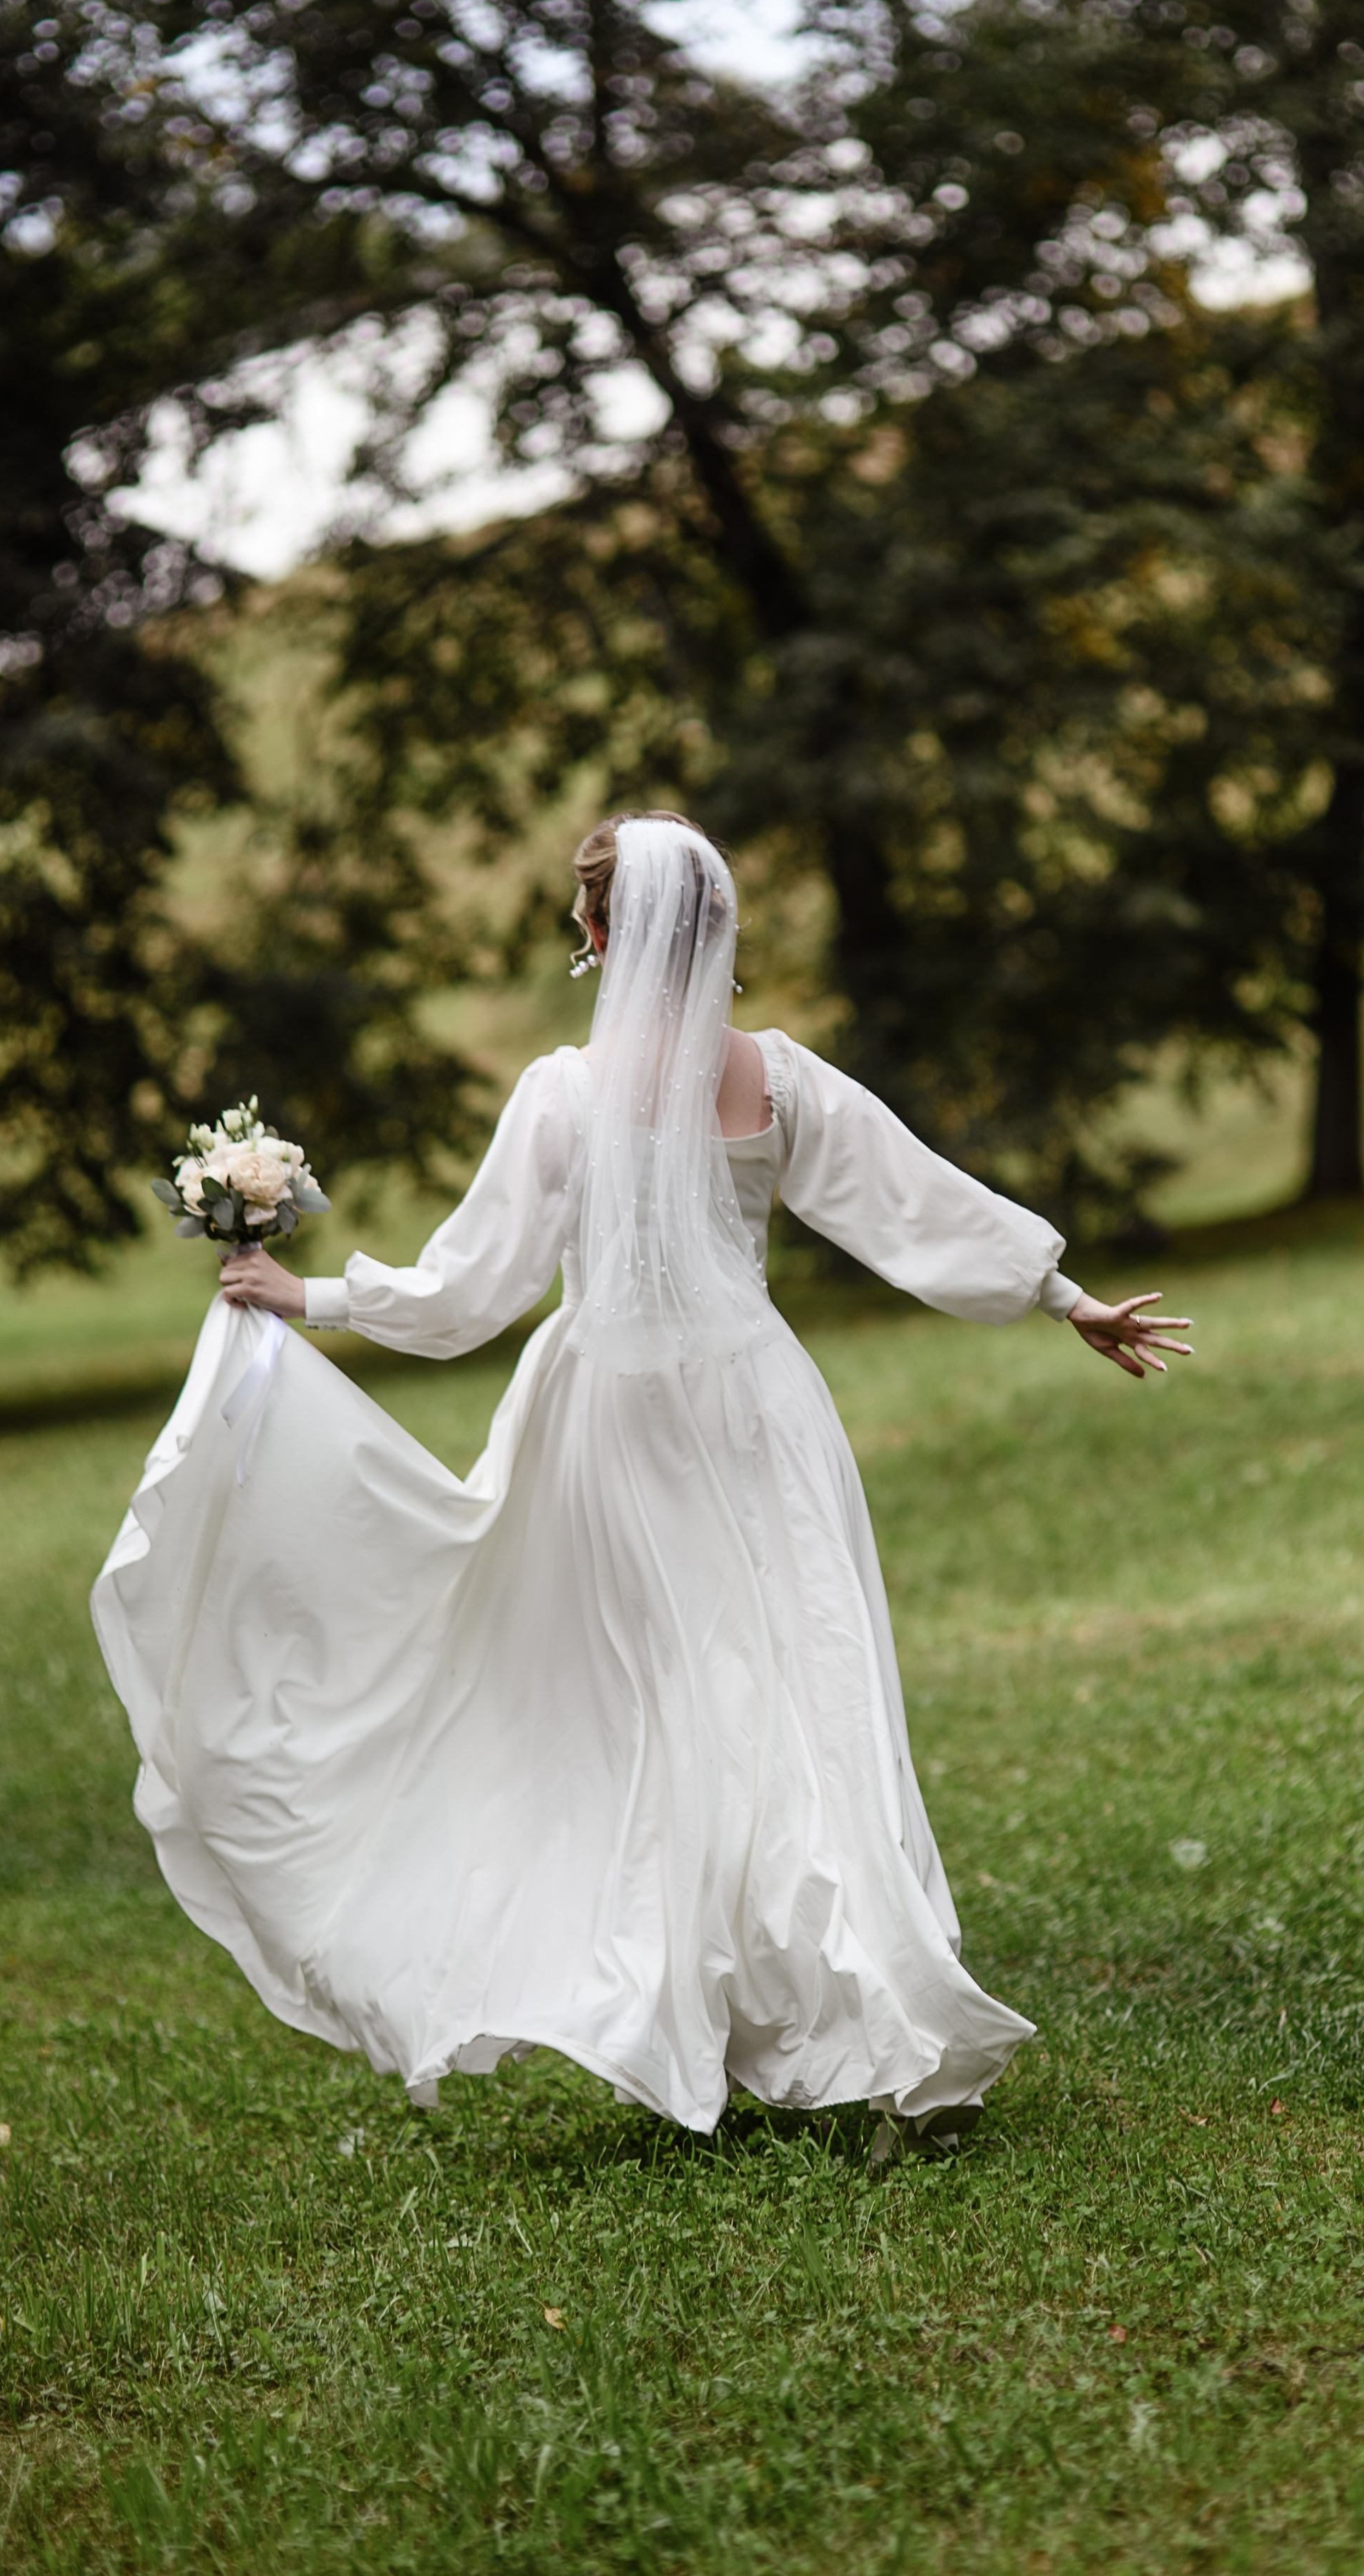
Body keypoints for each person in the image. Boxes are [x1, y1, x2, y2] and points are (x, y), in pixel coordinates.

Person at [93, 813, 1190, 2145]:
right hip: (755, 1410)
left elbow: (469, 1291)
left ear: (603, 935)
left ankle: (738, 2009)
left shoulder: (565, 1093)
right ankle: (824, 2020)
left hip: (609, 1418)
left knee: (658, 1712)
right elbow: (916, 1201)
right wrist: (1064, 1296)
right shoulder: (776, 1078)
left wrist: (306, 1291)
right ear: (713, 931)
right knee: (795, 1693)